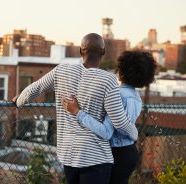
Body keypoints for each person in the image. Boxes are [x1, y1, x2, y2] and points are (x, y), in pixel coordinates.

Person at [14, 33, 138, 184]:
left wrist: (19, 101)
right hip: (95, 158)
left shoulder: (61, 71)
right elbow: (119, 123)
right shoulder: (108, 80)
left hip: (69, 156)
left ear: (80, 51)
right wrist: (135, 133)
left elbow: (36, 88)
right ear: (103, 53)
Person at [62, 51, 157, 184]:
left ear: (121, 72)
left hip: (115, 154)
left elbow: (106, 131)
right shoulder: (136, 98)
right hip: (130, 153)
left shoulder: (116, 95)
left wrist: (78, 112)